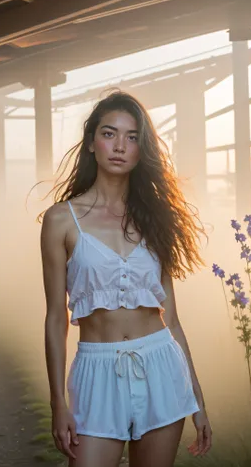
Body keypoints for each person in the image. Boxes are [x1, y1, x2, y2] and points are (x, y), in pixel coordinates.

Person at [39, 90, 212, 467]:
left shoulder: (156, 218)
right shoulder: (60, 220)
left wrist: (196, 398)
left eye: (132, 137)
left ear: (140, 149)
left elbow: (173, 320)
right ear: (91, 143)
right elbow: (56, 318)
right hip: (96, 372)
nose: (120, 146)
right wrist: (57, 402)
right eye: (109, 133)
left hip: (161, 367)